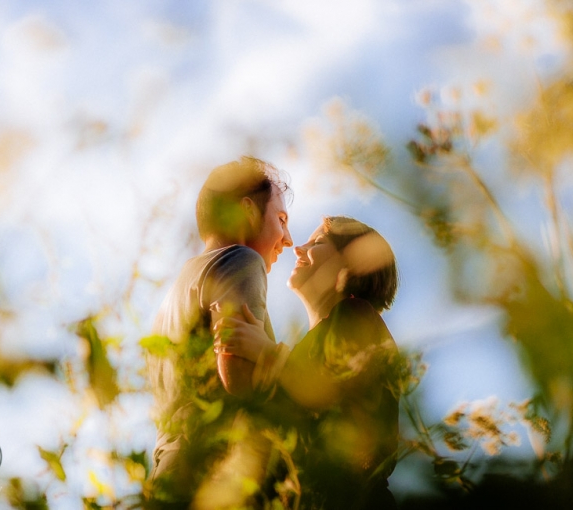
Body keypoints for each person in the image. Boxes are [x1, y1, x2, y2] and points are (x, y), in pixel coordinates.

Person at [214, 216, 401, 509]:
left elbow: (339, 401)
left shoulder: (357, 315)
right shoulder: (306, 346)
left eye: (318, 242)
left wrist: (267, 354)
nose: (299, 248)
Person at [145, 156, 293, 509]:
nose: (287, 239)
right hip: (217, 480)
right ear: (248, 211)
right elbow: (238, 376)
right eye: (281, 219)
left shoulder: (175, 295)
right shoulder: (240, 260)